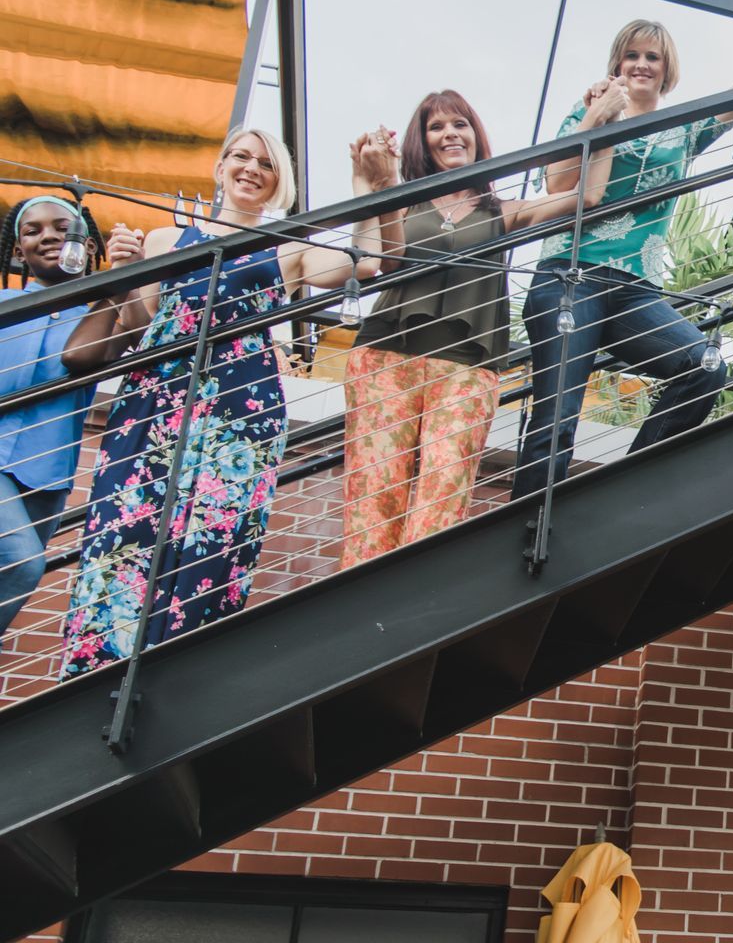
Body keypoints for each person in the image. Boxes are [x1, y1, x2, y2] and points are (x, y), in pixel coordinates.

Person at [58, 127, 381, 677]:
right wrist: (119, 272)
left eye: (265, 162)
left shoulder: (291, 246)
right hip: (155, 396)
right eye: (240, 157)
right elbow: (140, 323)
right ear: (220, 166)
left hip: (241, 406)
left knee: (216, 531)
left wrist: (366, 185)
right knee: (126, 524)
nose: (251, 168)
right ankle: (98, 665)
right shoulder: (165, 240)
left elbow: (365, 264)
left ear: (279, 179)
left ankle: (181, 664)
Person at [510, 0, 733, 500]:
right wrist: (598, 119)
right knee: (558, 419)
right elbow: (557, 185)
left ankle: (627, 487)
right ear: (617, 64)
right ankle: (525, 526)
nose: (641, 64)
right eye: (632, 55)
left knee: (704, 366)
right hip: (570, 278)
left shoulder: (683, 128)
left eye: (653, 58)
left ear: (667, 70)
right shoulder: (586, 110)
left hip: (635, 288)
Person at [339, 89, 619, 566]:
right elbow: (384, 260)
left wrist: (600, 119)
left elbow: (586, 195)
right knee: (374, 498)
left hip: (468, 368)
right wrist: (378, 185)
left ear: (475, 135)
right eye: (436, 127)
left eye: (460, 124)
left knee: (443, 497)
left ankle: (416, 617)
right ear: (421, 143)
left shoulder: (502, 210)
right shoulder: (405, 202)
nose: (449, 133)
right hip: (386, 357)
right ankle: (357, 615)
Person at [0, 194, 118, 644]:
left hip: (46, 475)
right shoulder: (4, 304)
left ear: (88, 246)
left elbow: (84, 358)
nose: (48, 235)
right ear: (18, 251)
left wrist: (121, 280)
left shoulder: (103, 316)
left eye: (61, 228)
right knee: (23, 562)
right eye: (32, 231)